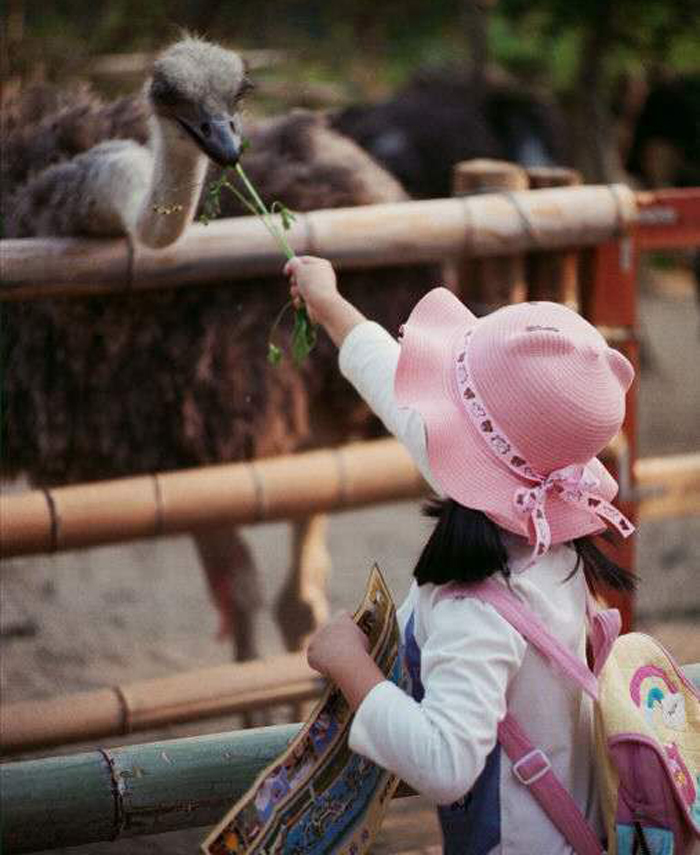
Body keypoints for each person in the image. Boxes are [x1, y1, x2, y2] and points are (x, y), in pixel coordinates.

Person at [284, 255, 636, 854]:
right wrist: (330, 304)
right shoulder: (553, 536)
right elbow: (398, 392)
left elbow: (446, 762)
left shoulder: (476, 609)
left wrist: (350, 667)